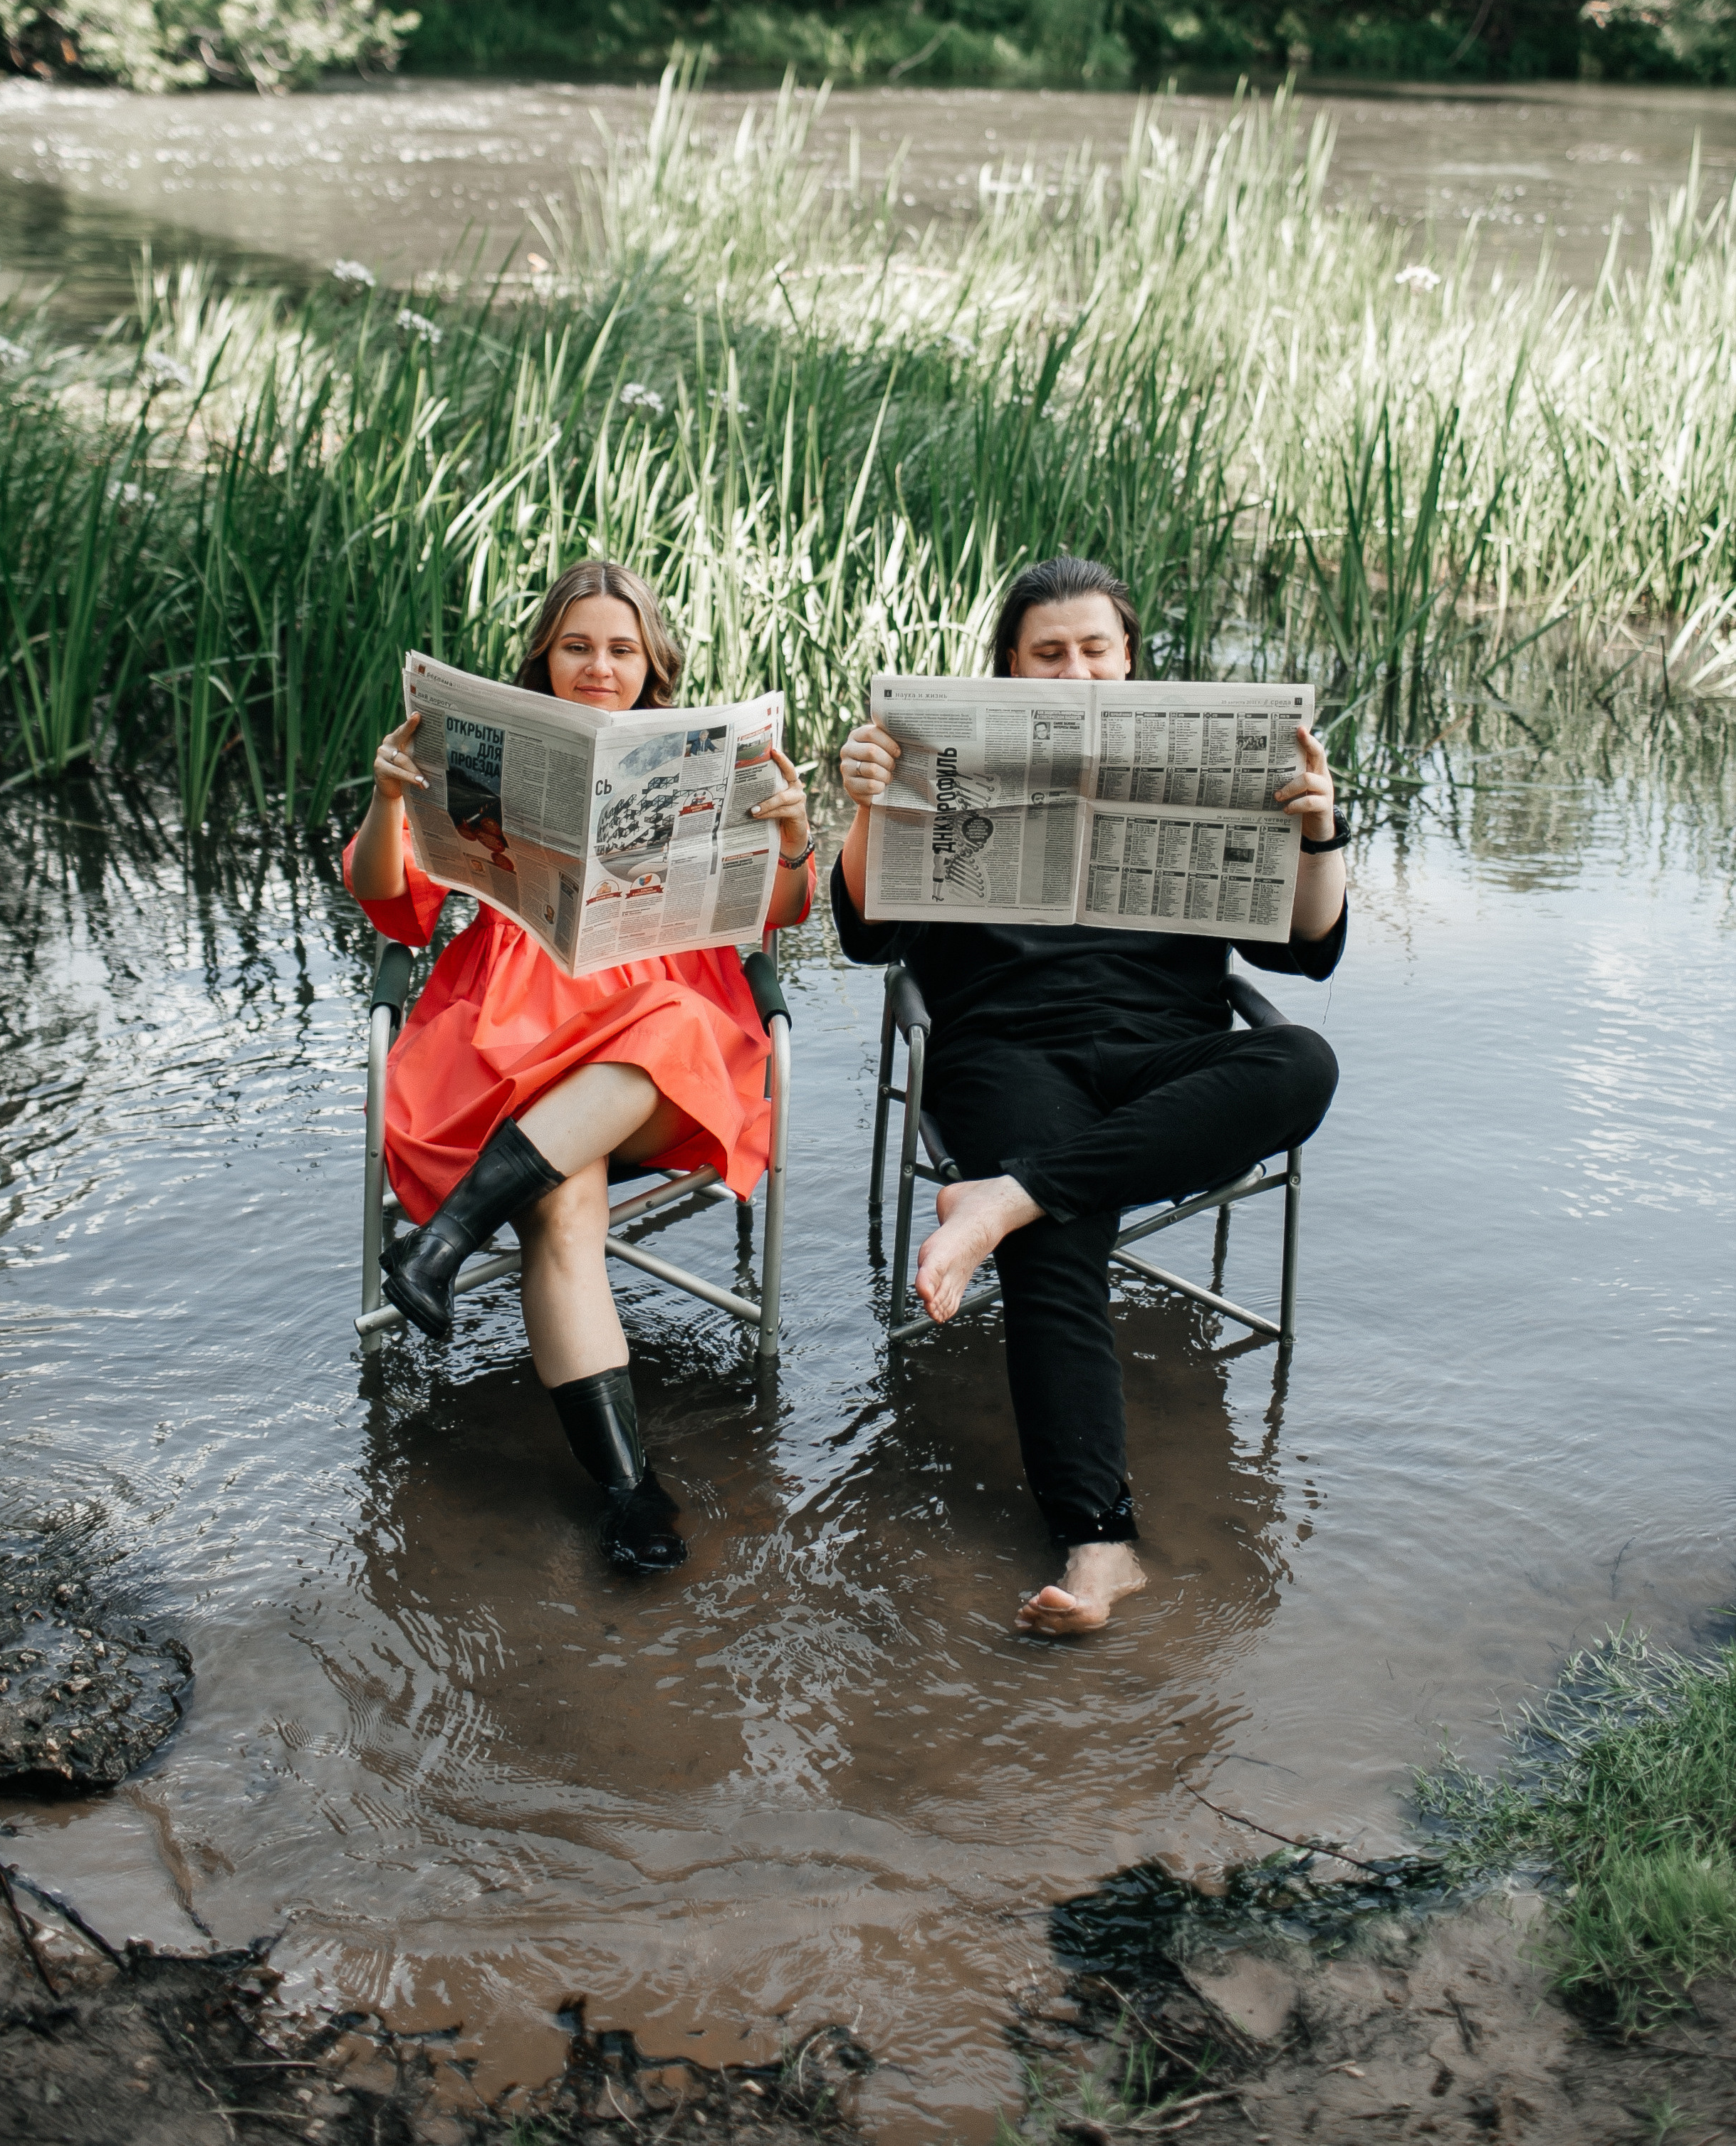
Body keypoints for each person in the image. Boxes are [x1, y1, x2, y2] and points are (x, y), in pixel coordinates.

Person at [831, 555, 1347, 1640]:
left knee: (1303, 1060)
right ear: (1010, 670)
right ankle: (1101, 1540)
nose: (1075, 674)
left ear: (1130, 660)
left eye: (1094, 651)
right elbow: (866, 933)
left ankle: (1005, 1199)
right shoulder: (953, 759)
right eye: (1048, 655)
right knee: (1057, 1241)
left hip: (1169, 1057)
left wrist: (1317, 831)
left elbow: (1312, 952)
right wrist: (866, 808)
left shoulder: (1208, 767)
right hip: (1009, 1054)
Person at [344, 558, 815, 1576]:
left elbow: (777, 917)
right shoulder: (484, 752)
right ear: (544, 658)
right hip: (512, 1027)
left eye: (620, 648)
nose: (599, 666)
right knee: (565, 1209)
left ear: (653, 665)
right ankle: (629, 1491)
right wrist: (389, 800)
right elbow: (392, 907)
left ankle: (446, 1239)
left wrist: (792, 833)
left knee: (673, 1026)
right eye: (577, 646)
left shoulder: (715, 757)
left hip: (664, 1035)